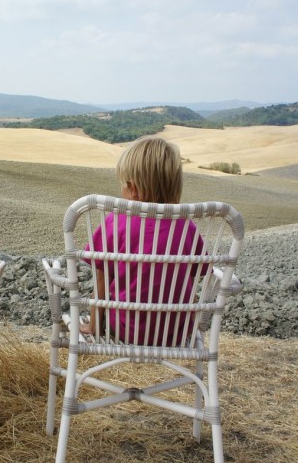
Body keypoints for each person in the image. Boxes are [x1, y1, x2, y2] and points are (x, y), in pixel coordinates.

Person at [79, 136, 205, 346]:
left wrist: (93, 326)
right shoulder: (186, 227)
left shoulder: (115, 221)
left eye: (124, 185)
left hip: (124, 330)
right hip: (174, 333)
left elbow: (101, 278)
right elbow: (194, 276)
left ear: (133, 188)